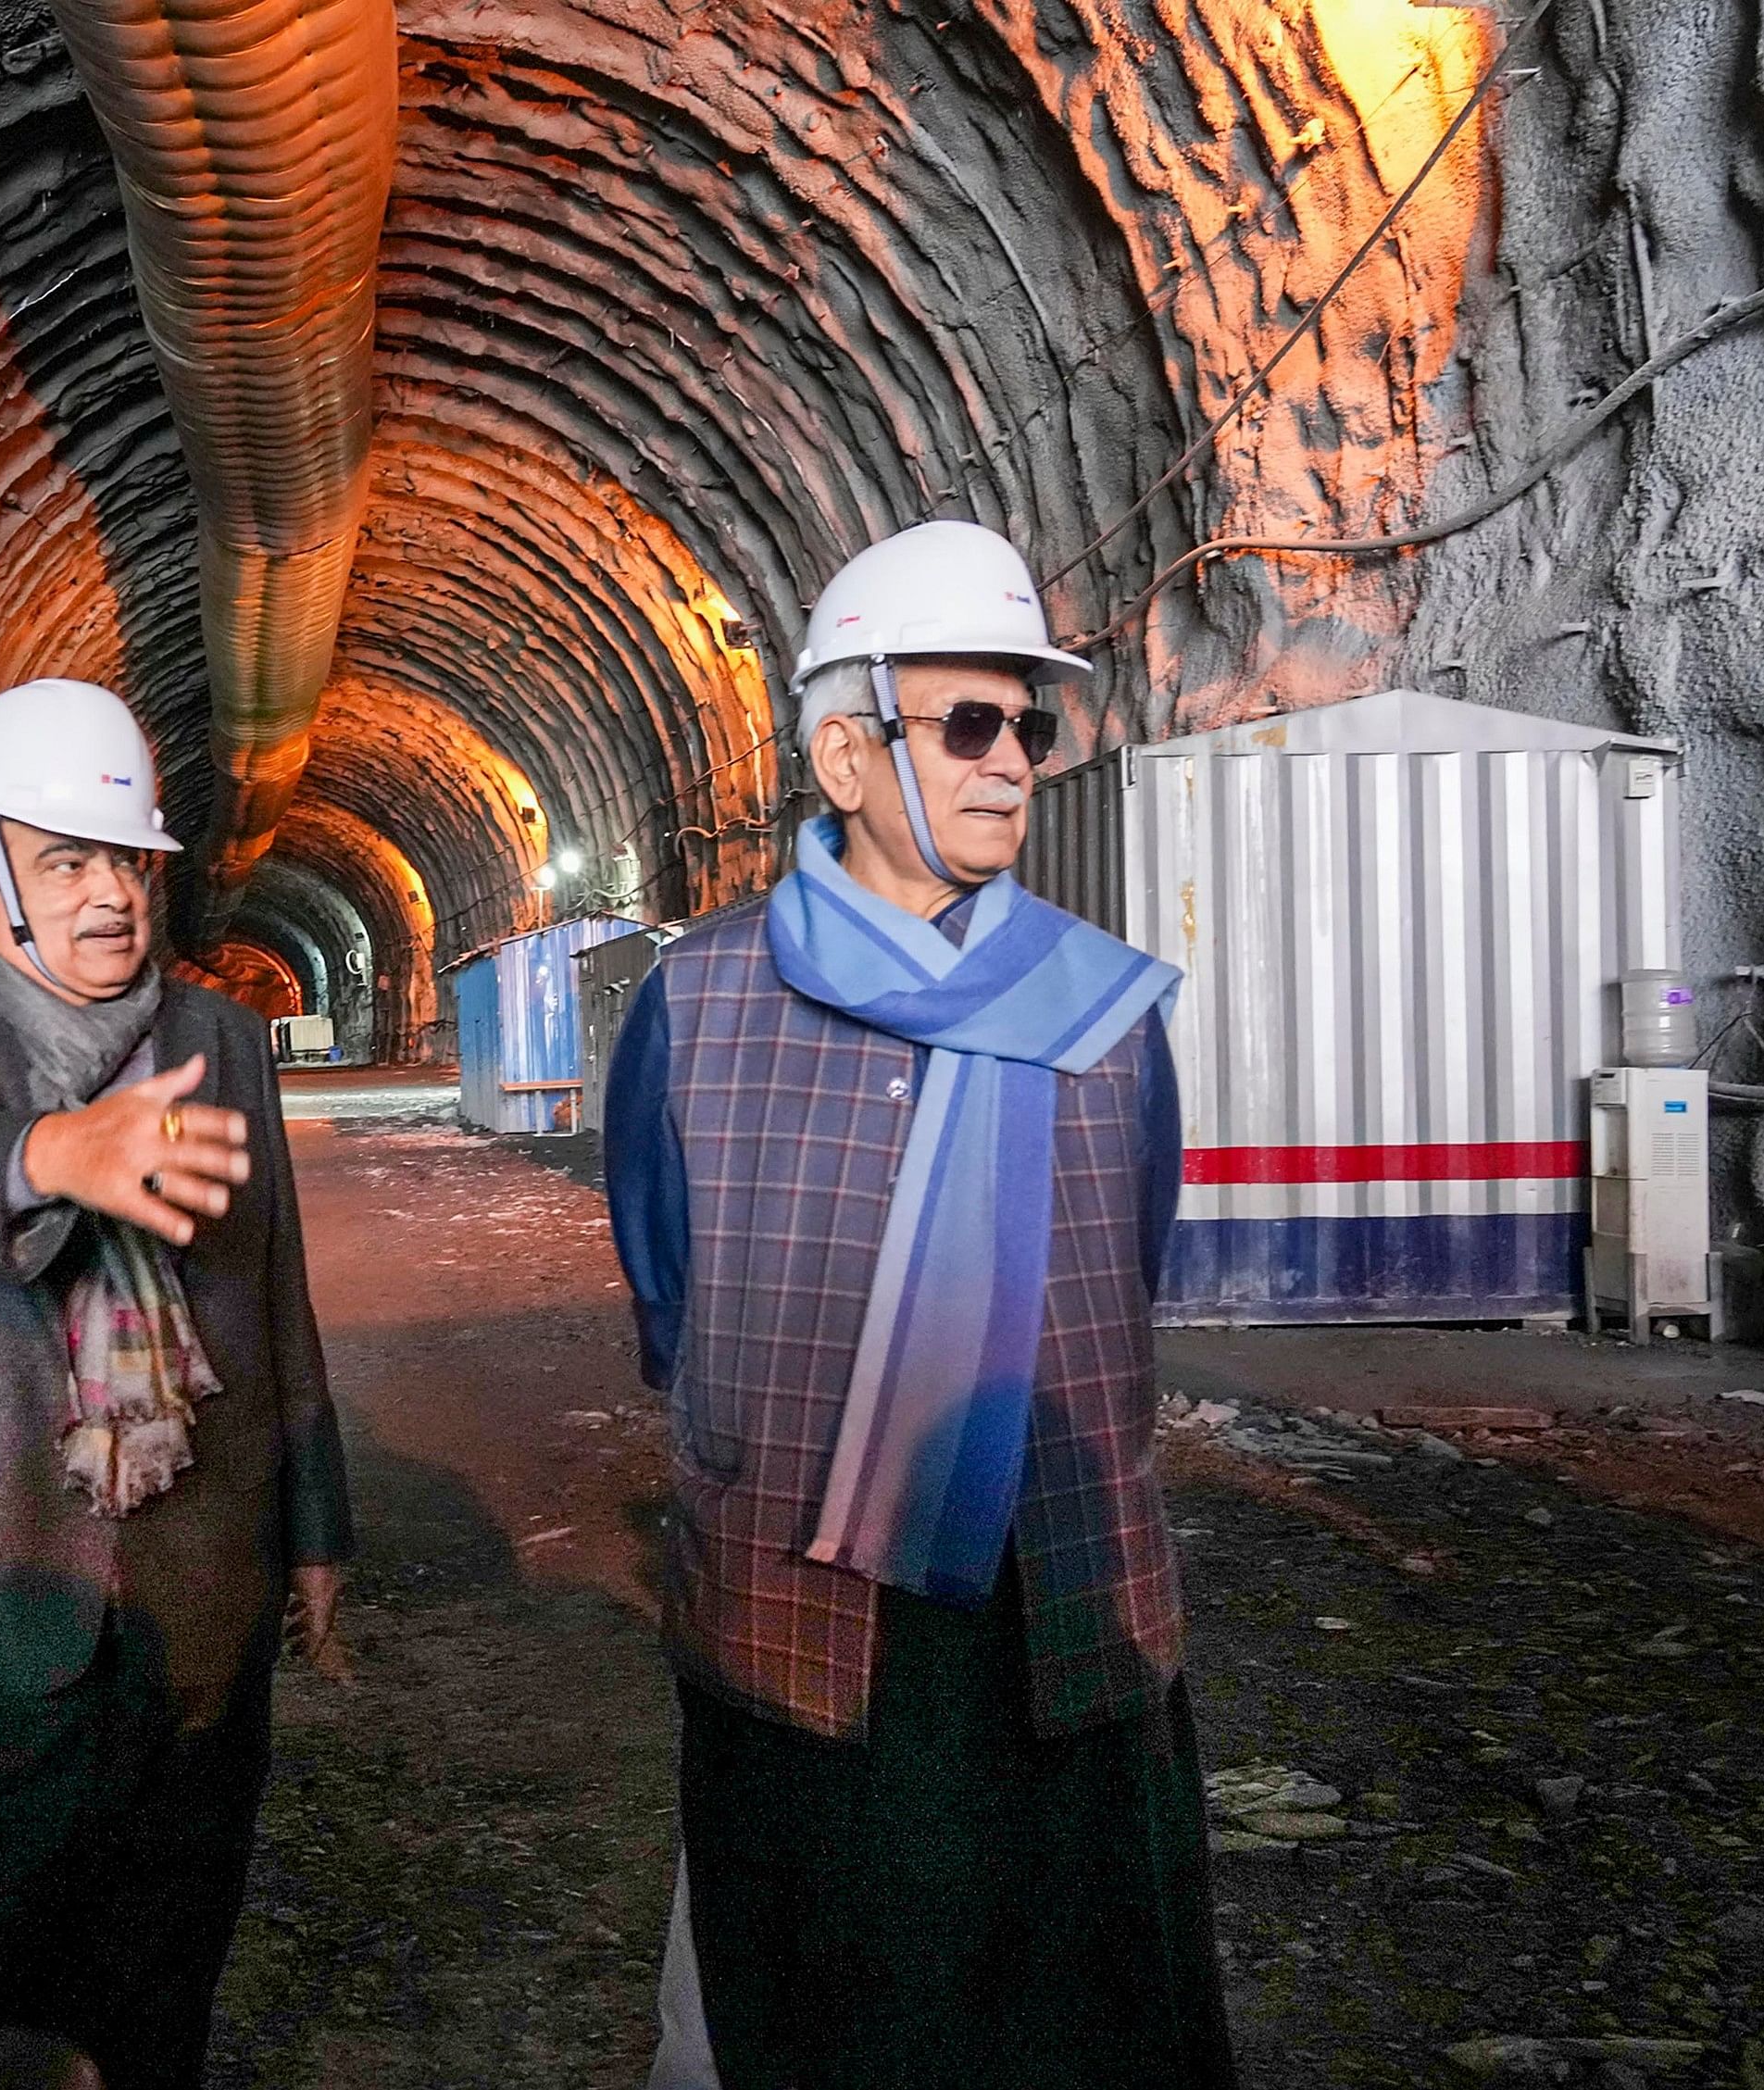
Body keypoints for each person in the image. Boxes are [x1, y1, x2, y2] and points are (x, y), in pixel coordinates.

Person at [603, 519, 1236, 2088]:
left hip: (1066, 1629)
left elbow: (1119, 1275)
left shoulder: (1107, 1009)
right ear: (843, 748)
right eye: (967, 719)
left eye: (1030, 721)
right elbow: (671, 1301)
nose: (1011, 757)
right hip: (806, 1634)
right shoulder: (694, 1003)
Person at [0, 677, 356, 2090]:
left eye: (127, 860)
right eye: (65, 860)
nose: (110, 895)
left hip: (194, 1607)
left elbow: (272, 1285)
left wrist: (312, 1527)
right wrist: (56, 1154)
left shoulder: (218, 1034)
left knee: (159, 1989)